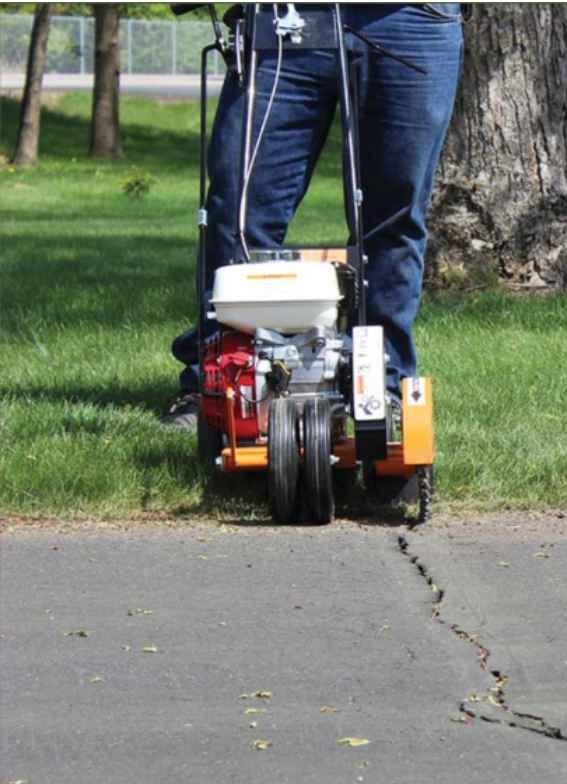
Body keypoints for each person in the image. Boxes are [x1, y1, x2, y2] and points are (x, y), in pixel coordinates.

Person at [163, 3, 464, 502]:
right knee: (240, 211)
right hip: (289, 15)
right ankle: (221, 386)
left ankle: (380, 389)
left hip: (412, 18)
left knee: (392, 220)